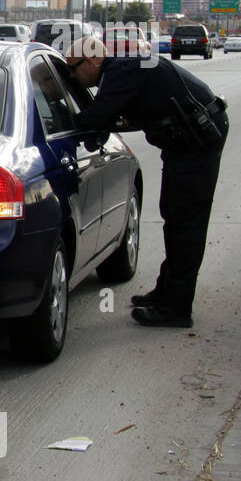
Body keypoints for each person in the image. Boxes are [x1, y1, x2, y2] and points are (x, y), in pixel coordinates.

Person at [65, 35, 229, 328]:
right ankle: (166, 292)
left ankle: (177, 309)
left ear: (91, 61)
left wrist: (63, 123)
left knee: (186, 222)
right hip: (185, 145)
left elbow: (94, 119)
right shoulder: (124, 70)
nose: (74, 77)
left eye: (73, 69)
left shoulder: (121, 72)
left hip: (197, 144)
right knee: (173, 214)